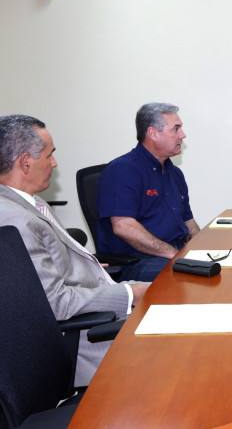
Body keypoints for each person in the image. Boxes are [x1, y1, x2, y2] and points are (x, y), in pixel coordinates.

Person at [0, 114, 149, 387]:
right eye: (49, 155)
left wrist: (88, 266)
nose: (54, 163)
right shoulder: (14, 218)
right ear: (25, 162)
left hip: (97, 306)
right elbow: (55, 303)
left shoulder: (29, 203)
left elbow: (46, 274)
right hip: (87, 337)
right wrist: (130, 294)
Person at [97, 103, 200, 282]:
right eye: (176, 129)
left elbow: (188, 221)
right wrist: (174, 255)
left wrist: (204, 248)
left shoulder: (174, 173)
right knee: (193, 278)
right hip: (136, 261)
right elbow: (123, 226)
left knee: (222, 267)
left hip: (172, 253)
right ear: (153, 133)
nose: (183, 135)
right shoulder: (122, 170)